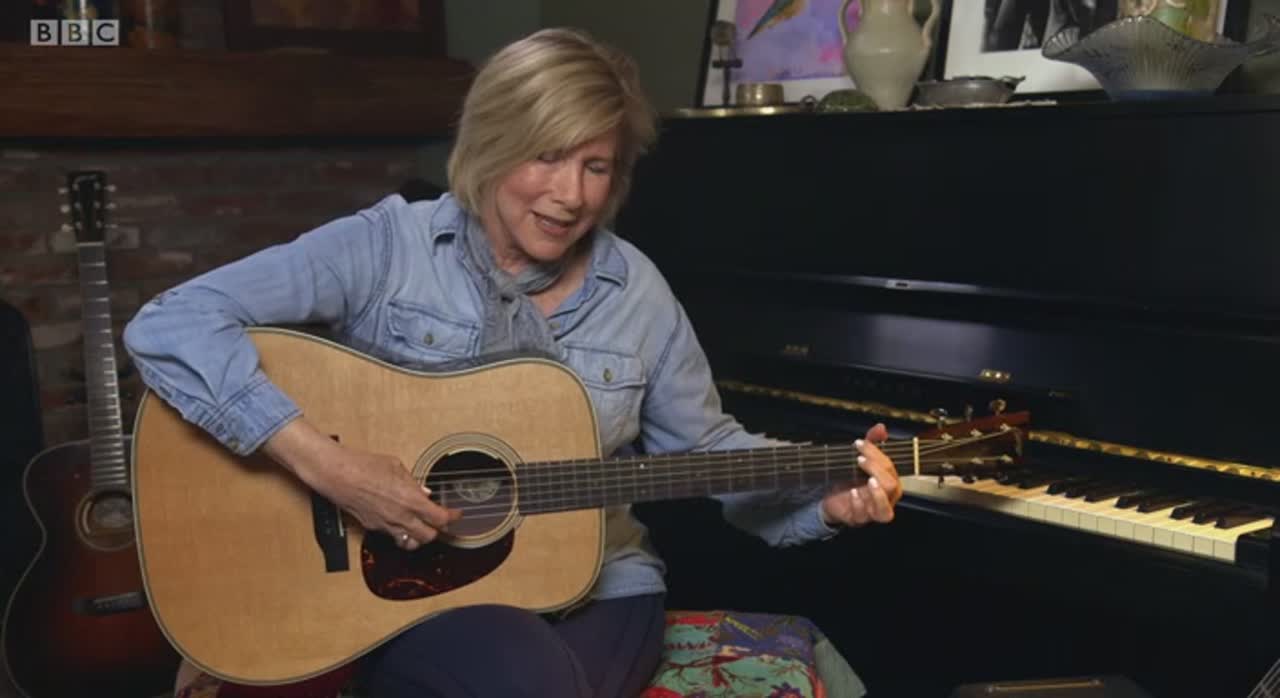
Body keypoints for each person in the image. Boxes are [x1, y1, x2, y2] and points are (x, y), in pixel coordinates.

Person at [124, 27, 902, 698]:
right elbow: (171, 323)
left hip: (603, 586)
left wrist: (825, 502)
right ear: (493, 143)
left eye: (596, 166)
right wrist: (328, 467)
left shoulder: (638, 291)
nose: (571, 195)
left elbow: (706, 453)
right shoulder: (388, 247)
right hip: (415, 590)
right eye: (547, 156)